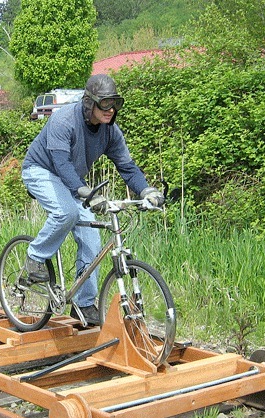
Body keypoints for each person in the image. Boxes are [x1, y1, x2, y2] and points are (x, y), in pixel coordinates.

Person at [21, 74, 164, 326]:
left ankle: (83, 305)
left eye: (115, 104)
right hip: (41, 170)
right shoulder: (64, 120)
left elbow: (127, 167)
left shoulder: (110, 131)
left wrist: (146, 191)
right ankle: (35, 256)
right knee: (67, 213)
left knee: (92, 238)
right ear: (89, 103)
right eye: (105, 104)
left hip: (71, 180)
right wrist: (87, 192)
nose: (110, 110)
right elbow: (61, 164)